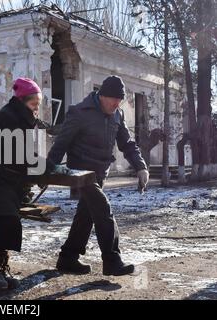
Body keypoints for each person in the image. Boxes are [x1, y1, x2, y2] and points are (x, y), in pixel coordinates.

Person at [47, 76, 150, 276]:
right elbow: (61, 143)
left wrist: (141, 167)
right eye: (114, 99)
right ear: (102, 96)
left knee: (86, 215)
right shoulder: (79, 112)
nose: (117, 104)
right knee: (102, 209)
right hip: (80, 173)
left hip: (100, 172)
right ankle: (112, 261)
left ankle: (67, 258)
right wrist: (49, 170)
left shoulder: (117, 115)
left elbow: (127, 144)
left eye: (120, 100)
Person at [0, 77, 52, 290]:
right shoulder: (8, 119)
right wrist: (45, 166)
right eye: (34, 104)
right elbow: (20, 155)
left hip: (6, 181)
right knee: (8, 222)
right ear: (22, 101)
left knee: (8, 224)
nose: (37, 108)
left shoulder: (19, 117)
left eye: (38, 104)